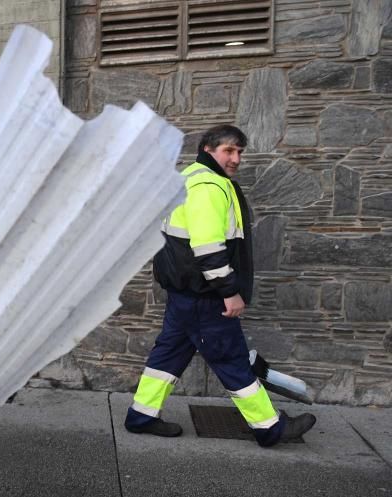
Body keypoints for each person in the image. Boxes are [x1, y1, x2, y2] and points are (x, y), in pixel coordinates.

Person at [125, 124, 316, 447]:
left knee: (168, 355)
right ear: (208, 149)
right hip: (206, 295)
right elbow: (208, 247)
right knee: (231, 359)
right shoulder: (209, 186)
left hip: (186, 293)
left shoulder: (188, 179)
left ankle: (140, 416)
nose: (236, 158)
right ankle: (270, 428)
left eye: (239, 151)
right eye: (229, 150)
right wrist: (229, 291)